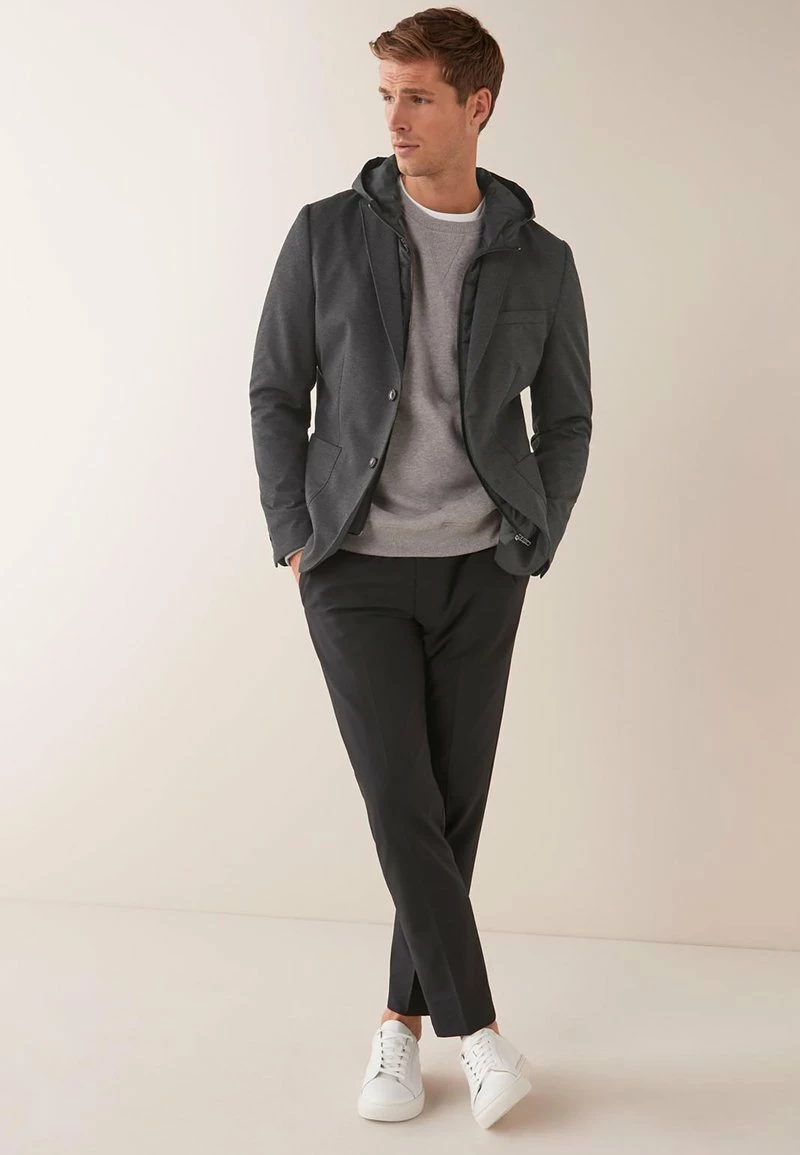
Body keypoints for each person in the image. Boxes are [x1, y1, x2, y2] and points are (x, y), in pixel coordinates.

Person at [248, 7, 592, 1130]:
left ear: (476, 105)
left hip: (481, 565)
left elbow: (567, 418)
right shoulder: (324, 235)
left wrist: (535, 534)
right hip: (351, 560)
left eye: (418, 97)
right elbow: (275, 389)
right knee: (399, 797)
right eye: (386, 96)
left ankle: (397, 1030)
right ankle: (479, 1034)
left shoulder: (541, 259)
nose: (393, 119)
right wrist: (293, 528)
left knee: (449, 808)